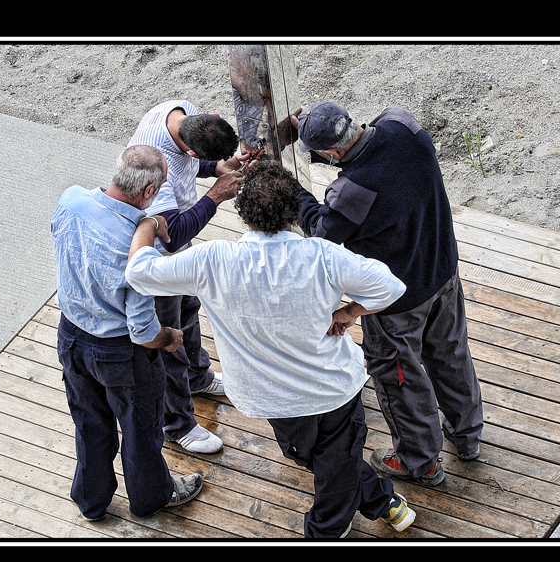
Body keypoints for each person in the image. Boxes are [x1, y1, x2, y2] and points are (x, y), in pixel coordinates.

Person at [125, 161, 416, 539]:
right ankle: (347, 520)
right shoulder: (322, 256)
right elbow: (390, 287)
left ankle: (358, 514)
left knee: (325, 458)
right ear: (293, 211)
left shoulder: (213, 260)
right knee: (334, 460)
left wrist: (147, 223)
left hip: (269, 395)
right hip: (332, 388)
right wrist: (350, 311)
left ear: (244, 214)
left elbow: (139, 273)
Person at [292, 101, 484, 488]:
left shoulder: (352, 190)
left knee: (400, 379)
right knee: (451, 353)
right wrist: (312, 120)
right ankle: (467, 436)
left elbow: (321, 232)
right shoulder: (404, 127)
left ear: (331, 154)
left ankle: (420, 461)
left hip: (395, 301)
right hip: (443, 271)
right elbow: (381, 131)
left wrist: (293, 192)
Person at [51, 144, 203, 521]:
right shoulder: (138, 247)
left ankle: (91, 499)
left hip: (71, 335)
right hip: (121, 354)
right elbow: (142, 330)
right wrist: (168, 338)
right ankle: (151, 497)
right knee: (140, 430)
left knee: (88, 422)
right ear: (149, 193)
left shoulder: (70, 200)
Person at [127, 99, 250, 454]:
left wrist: (215, 166)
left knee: (190, 311)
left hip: (178, 250)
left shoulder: (179, 109)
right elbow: (173, 234)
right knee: (170, 341)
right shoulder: (156, 167)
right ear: (189, 149)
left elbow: (193, 164)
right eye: (199, 156)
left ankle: (199, 378)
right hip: (157, 259)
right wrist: (215, 196)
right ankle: (178, 425)